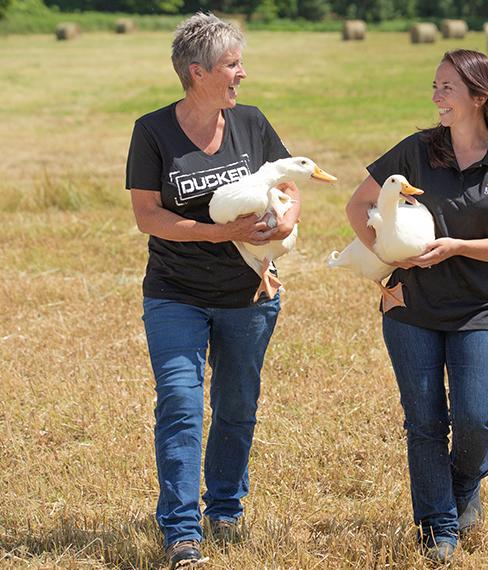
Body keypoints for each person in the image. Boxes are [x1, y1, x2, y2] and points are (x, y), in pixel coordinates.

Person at [345, 49, 488, 562]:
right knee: (425, 421)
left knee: (477, 420)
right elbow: (357, 204)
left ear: (479, 96)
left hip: (479, 309)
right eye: (435, 86)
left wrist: (457, 247)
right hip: (411, 307)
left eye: (447, 87)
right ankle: (438, 528)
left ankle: (464, 482)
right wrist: (385, 255)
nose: (436, 95)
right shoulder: (416, 151)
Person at [125, 13, 298, 569]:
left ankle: (224, 508)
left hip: (247, 295)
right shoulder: (152, 131)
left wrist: (286, 221)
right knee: (179, 403)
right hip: (174, 292)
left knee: (236, 405)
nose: (242, 74)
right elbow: (148, 216)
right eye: (232, 65)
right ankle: (180, 530)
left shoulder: (250, 123)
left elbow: (287, 184)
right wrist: (221, 233)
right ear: (197, 72)